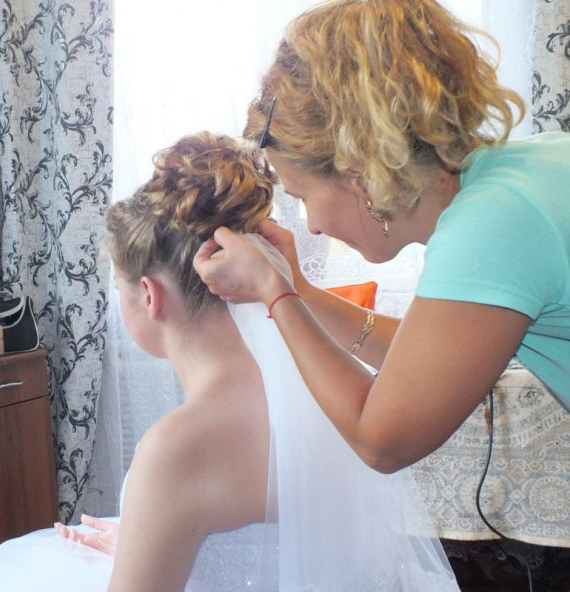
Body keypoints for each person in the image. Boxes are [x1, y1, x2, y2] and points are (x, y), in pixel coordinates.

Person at [0, 132, 459, 591]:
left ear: (149, 295)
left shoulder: (175, 450)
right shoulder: (328, 395)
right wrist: (145, 549)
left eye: (118, 287)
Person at [193, 0, 570, 475]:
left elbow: (382, 442)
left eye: (304, 196)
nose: (312, 225)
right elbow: (426, 361)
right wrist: (300, 290)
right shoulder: (527, 167)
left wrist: (276, 293)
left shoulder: (492, 226)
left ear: (361, 175)